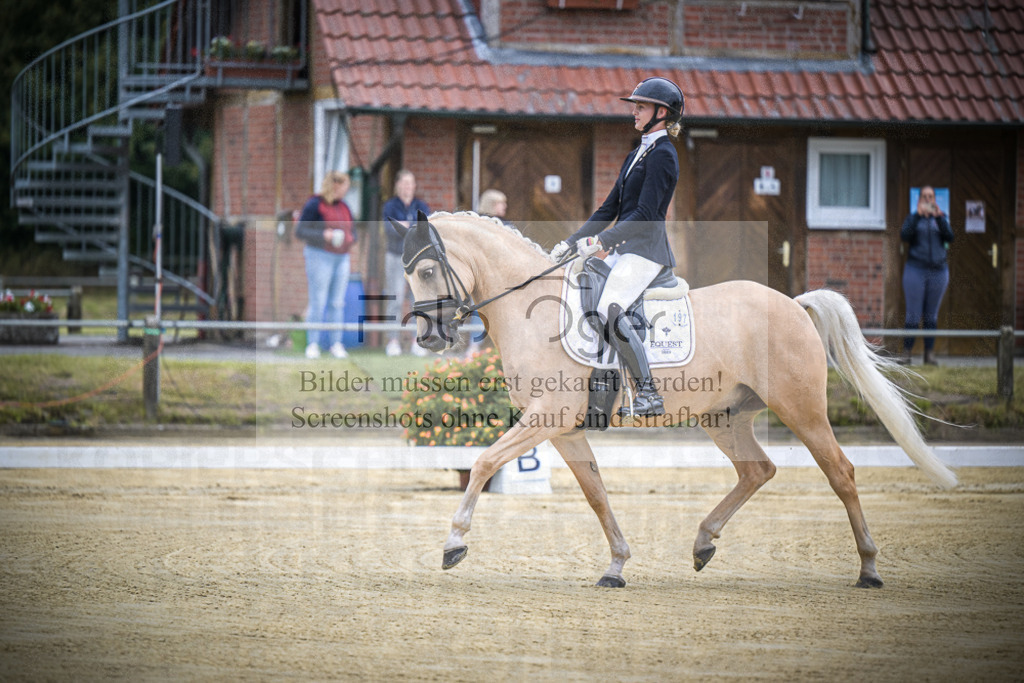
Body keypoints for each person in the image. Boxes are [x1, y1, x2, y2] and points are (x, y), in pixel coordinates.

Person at [551, 77, 684, 417]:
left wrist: (601, 241)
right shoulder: (635, 153)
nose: (634, 112)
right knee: (581, 291)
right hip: (625, 250)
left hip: (646, 252)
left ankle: (649, 394)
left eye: (640, 106)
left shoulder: (664, 155)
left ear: (661, 112)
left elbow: (646, 213)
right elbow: (608, 208)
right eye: (635, 106)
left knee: (610, 308)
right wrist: (570, 243)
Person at [296, 171, 356, 359]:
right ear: (334, 185)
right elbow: (301, 231)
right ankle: (312, 344)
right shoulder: (315, 204)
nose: (345, 191)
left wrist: (350, 238)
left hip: (341, 257)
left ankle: (335, 344)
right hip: (319, 256)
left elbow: (353, 231)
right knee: (318, 300)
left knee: (337, 302)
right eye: (343, 187)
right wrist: (324, 235)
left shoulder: (345, 207)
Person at [899, 185, 954, 365]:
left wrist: (939, 218)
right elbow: (904, 235)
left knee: (931, 315)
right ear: (920, 199)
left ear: (935, 200)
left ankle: (928, 354)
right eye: (925, 197)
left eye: (931, 197)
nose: (928, 200)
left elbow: (950, 237)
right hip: (916, 270)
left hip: (938, 272)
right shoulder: (913, 218)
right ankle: (907, 353)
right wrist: (917, 216)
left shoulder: (941, 218)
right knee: (913, 315)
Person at [382, 170, 430, 356]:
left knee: (417, 300)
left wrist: (405, 226)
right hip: (395, 257)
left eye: (410, 183)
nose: (407, 187)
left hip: (417, 259)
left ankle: (417, 341)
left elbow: (425, 230)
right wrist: (412, 226)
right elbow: (390, 230)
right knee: (395, 299)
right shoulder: (390, 206)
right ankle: (392, 341)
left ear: (414, 186)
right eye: (404, 183)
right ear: (398, 185)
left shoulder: (421, 205)